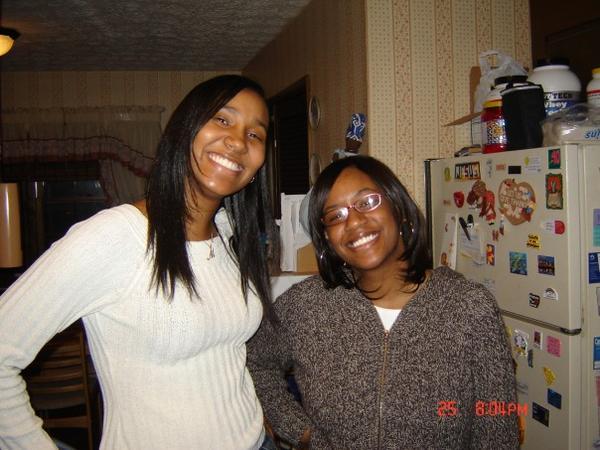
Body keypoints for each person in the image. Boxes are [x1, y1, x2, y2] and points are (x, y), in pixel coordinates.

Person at [0, 75, 279, 450]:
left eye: (255, 134)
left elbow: (226, 351)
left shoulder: (230, 234)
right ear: (184, 130)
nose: (238, 141)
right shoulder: (116, 236)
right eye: (222, 119)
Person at [247, 155, 519, 449]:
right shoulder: (305, 306)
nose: (353, 222)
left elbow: (498, 429)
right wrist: (304, 433)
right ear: (327, 240)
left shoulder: (470, 308)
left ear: (398, 208)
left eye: (367, 202)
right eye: (335, 216)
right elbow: (255, 364)